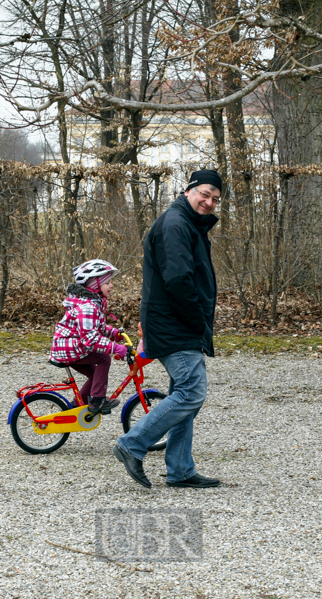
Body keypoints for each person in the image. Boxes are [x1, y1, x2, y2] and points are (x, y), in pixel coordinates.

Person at [113, 169, 222, 489]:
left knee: (184, 393)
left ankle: (180, 469)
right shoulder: (176, 225)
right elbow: (178, 280)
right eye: (205, 194)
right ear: (189, 190)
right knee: (191, 391)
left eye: (215, 198)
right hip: (176, 324)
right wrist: (196, 321)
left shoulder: (186, 223)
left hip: (176, 322)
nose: (209, 202)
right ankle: (132, 444)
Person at [49, 259, 129, 414]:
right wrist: (116, 348)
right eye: (107, 283)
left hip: (71, 348)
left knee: (95, 377)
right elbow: (90, 338)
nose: (111, 285)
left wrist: (112, 332)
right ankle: (97, 401)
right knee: (104, 358)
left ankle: (74, 409)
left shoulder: (91, 303)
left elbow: (94, 327)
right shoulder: (87, 307)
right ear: (94, 286)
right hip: (69, 349)